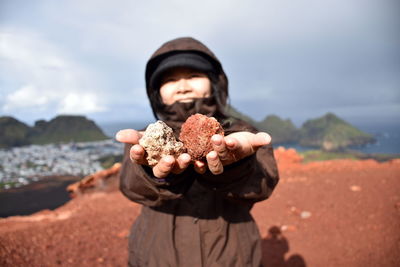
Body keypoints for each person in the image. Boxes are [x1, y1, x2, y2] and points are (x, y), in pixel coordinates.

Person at [116, 37, 279, 267]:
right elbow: (130, 186)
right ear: (157, 92)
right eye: (170, 80)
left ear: (214, 82)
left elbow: (264, 184)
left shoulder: (239, 134)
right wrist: (154, 172)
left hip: (232, 257)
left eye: (193, 76)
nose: (183, 86)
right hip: (156, 256)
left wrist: (233, 166)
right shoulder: (145, 139)